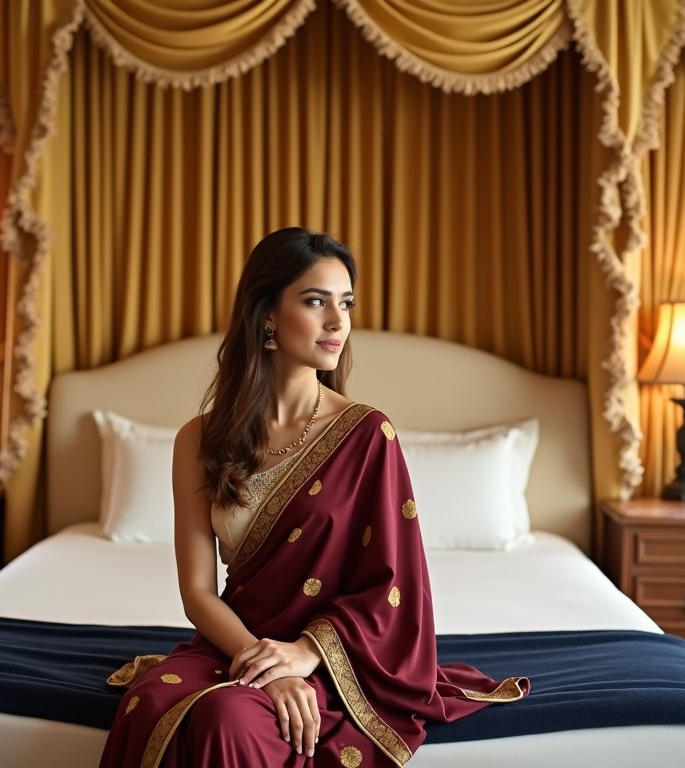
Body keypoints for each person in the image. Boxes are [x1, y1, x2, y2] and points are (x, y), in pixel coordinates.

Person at [99, 226, 528, 767]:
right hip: (235, 643)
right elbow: (198, 593)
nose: (337, 322)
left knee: (228, 718)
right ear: (267, 316)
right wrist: (265, 667)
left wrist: (303, 655)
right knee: (153, 705)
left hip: (335, 656)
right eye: (315, 301)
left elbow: (394, 585)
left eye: (345, 303)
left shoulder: (367, 434)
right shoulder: (200, 440)